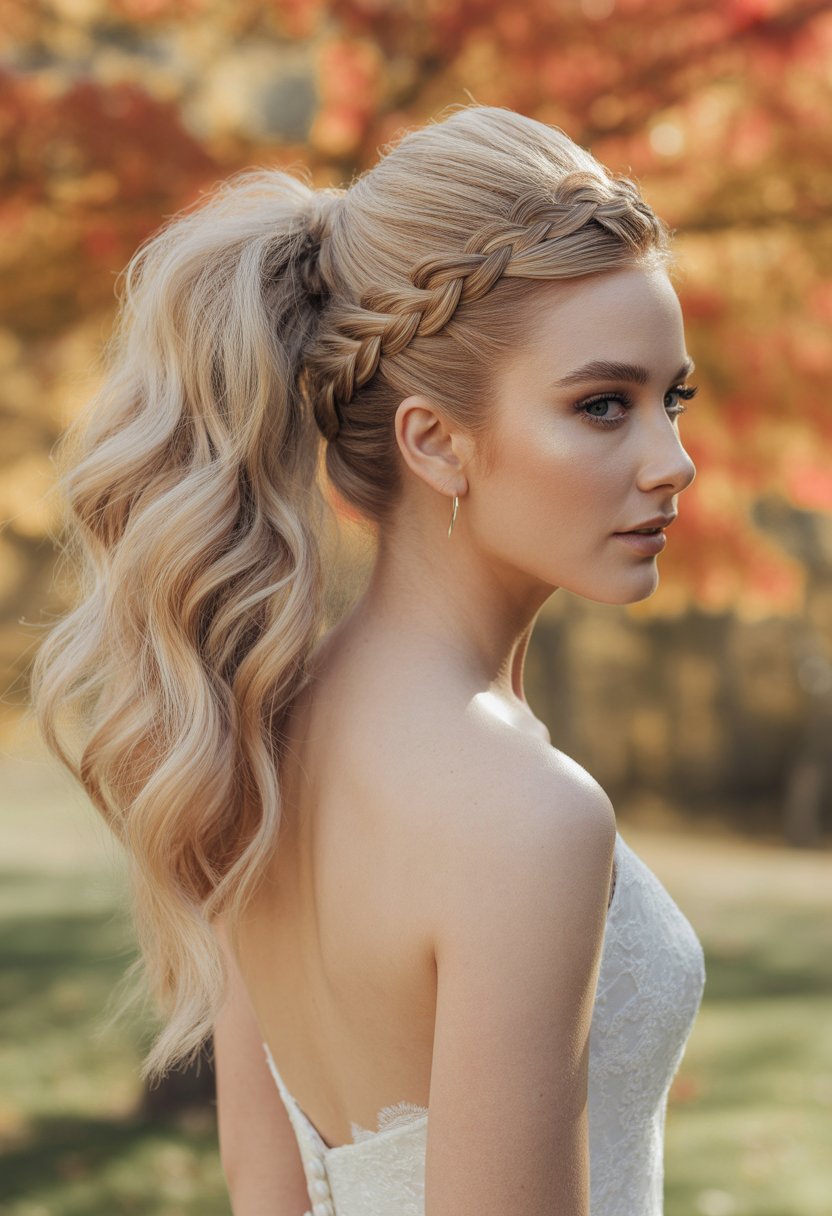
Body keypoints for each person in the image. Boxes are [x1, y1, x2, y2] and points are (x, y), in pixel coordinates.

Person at [30, 103, 706, 1215]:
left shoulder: (262, 723)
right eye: (601, 406)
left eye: (669, 399)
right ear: (435, 440)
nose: (672, 462)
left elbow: (268, 1188)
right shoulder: (529, 816)